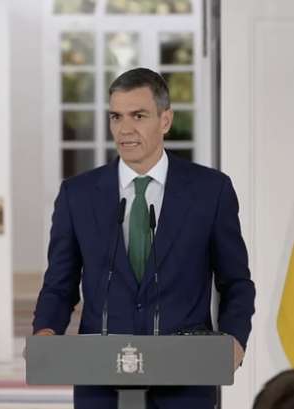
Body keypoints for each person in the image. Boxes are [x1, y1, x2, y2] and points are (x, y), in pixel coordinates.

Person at [32, 68, 255, 409]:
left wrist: (234, 339)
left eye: (138, 116)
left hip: (186, 382)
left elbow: (236, 281)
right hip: (100, 380)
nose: (125, 129)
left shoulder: (211, 191)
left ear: (165, 120)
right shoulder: (77, 195)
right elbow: (59, 285)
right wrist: (45, 333)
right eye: (116, 117)